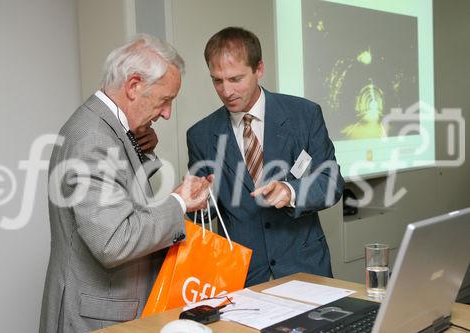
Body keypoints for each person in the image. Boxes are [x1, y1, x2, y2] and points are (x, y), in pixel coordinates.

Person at [40, 34, 213, 332]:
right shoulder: (94, 140)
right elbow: (114, 241)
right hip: (93, 317)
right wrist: (179, 202)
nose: (167, 113)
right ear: (134, 86)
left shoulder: (104, 126)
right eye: (165, 100)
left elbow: (115, 195)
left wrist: (140, 151)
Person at [187, 27, 344, 287]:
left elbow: (331, 182)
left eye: (236, 79)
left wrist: (291, 191)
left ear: (259, 69)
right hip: (242, 276)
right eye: (217, 80)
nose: (226, 91)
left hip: (304, 267)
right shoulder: (200, 135)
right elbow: (205, 213)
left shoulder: (304, 115)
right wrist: (196, 201)